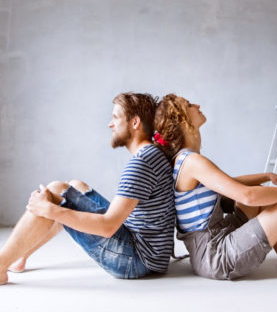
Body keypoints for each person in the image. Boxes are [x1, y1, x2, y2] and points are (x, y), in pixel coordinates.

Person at [153, 94, 277, 280]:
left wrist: (266, 176)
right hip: (216, 256)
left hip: (213, 243)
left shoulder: (186, 161)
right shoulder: (192, 161)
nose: (197, 104)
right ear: (181, 121)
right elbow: (248, 196)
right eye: (188, 105)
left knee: (265, 196)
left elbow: (229, 184)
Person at [0, 92, 175, 285]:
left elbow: (108, 227)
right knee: (74, 186)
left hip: (137, 260)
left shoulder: (142, 162)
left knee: (55, 193)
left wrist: (51, 210)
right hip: (153, 255)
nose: (110, 124)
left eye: (115, 117)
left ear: (135, 123)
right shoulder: (152, 153)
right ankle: (20, 255)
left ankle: (0, 266)